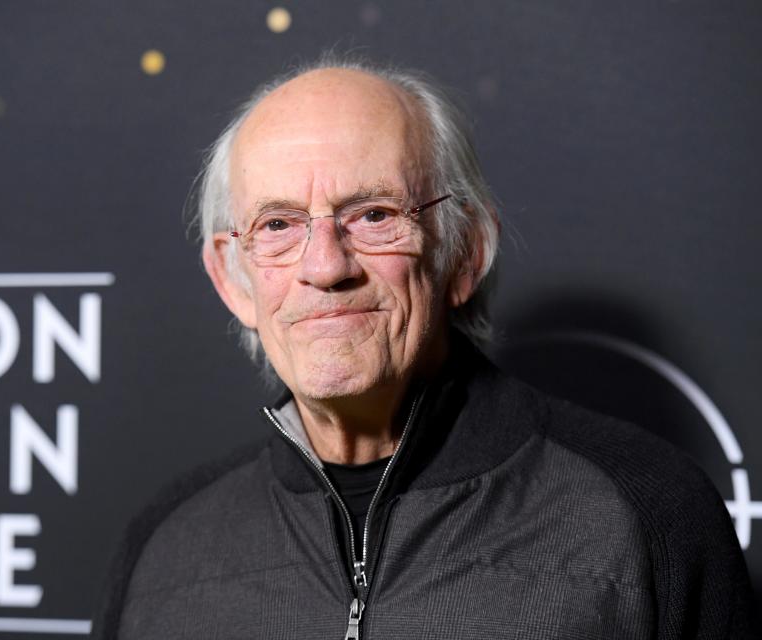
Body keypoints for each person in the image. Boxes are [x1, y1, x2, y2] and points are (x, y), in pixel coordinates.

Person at [93, 56, 755, 639]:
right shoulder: (164, 547)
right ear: (232, 278)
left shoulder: (648, 514)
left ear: (464, 252)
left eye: (375, 215)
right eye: (278, 224)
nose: (325, 267)